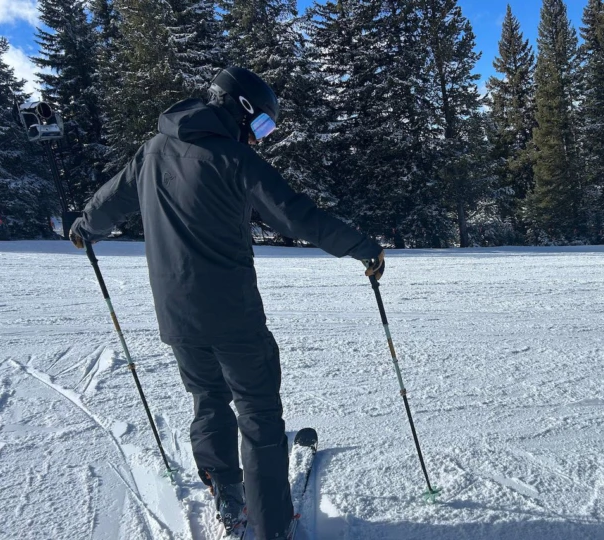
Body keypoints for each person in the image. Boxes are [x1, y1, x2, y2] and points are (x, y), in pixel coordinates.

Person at [69, 66, 385, 539]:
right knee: (258, 416)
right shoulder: (234, 158)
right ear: (238, 110)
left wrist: (83, 228)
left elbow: (108, 203)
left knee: (209, 399)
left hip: (176, 318)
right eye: (260, 125)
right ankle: (272, 525)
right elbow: (298, 216)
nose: (260, 138)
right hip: (233, 317)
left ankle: (226, 490)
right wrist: (364, 247)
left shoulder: (151, 151)